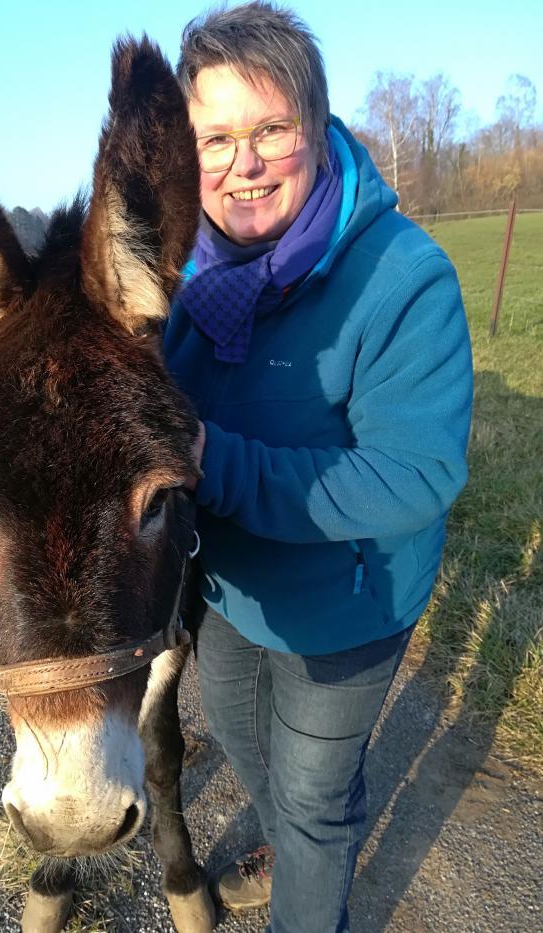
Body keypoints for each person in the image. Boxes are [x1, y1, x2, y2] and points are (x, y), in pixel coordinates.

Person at [163, 3, 473, 932]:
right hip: (232, 591)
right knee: (252, 753)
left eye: (271, 130)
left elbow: (415, 474)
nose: (243, 163)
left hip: (344, 607)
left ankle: (310, 860)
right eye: (215, 139)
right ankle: (293, 834)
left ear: (316, 122)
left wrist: (216, 462)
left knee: (315, 798)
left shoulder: (402, 277)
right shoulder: (184, 273)